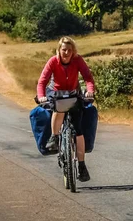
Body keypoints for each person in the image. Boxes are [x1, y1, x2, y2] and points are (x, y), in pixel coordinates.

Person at [36, 36, 95, 182]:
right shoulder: (53, 61)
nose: (67, 53)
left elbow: (88, 77)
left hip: (74, 93)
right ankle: (55, 137)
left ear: (73, 51)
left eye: (69, 50)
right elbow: (42, 81)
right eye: (64, 50)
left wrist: (90, 91)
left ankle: (81, 165)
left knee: (78, 130)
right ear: (59, 50)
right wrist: (41, 96)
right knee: (60, 108)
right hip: (56, 93)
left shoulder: (78, 60)